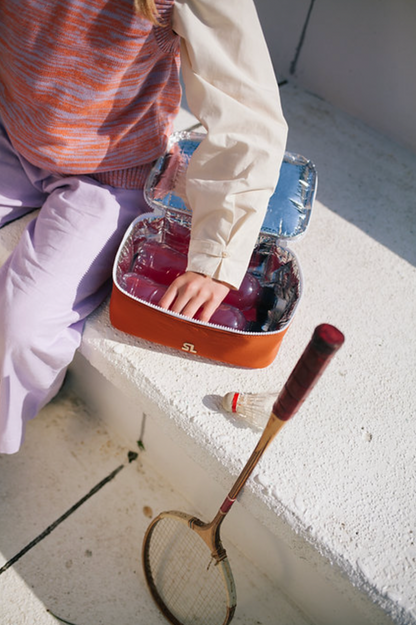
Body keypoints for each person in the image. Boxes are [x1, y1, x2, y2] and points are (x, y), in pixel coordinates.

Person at [0, 0, 288, 453]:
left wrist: (216, 255)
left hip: (113, 174)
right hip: (12, 128)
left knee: (25, 324)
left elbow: (245, 111)